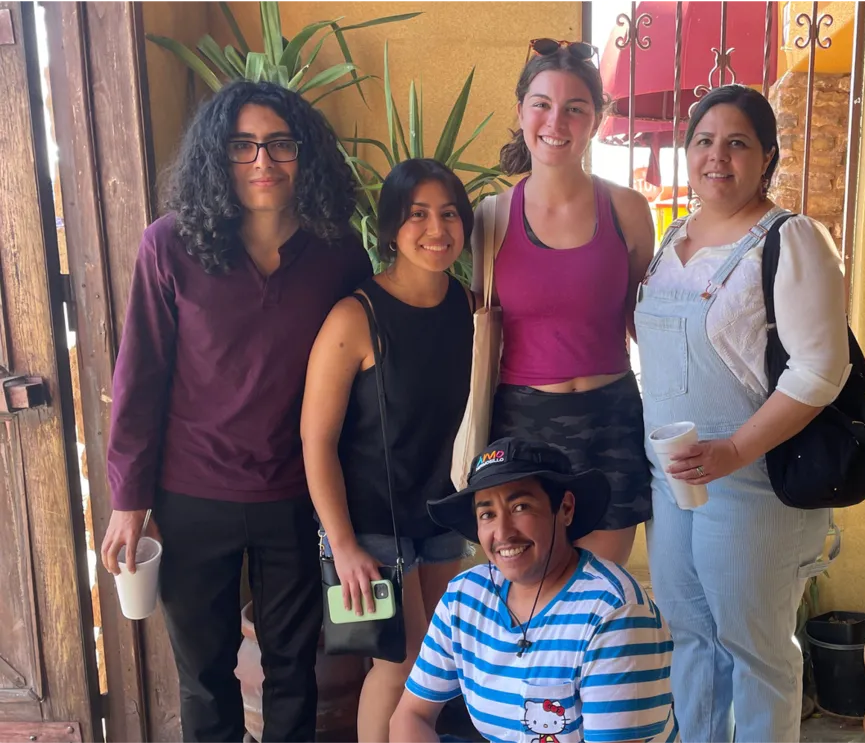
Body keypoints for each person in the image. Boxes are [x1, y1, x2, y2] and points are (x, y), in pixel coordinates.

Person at [99, 80, 373, 743]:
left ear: (304, 154)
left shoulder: (338, 253)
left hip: (292, 493)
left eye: (280, 144)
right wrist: (128, 499)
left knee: (293, 667)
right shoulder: (169, 246)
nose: (262, 161)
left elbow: (365, 373)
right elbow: (140, 379)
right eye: (242, 145)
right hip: (193, 493)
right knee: (205, 675)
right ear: (217, 157)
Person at [633, 84, 848, 742]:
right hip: (674, 481)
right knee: (690, 638)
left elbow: (821, 368)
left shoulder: (791, 239)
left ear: (767, 157)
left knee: (755, 652)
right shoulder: (673, 238)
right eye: (703, 141)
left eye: (736, 143)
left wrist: (734, 450)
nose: (716, 156)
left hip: (752, 485)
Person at [300, 158, 476, 743]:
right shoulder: (357, 315)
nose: (436, 228)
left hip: (436, 513)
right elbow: (316, 440)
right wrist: (343, 544)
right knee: (398, 662)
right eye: (418, 214)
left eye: (449, 213)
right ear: (391, 229)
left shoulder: (462, 305)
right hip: (369, 525)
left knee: (436, 664)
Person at [473, 40, 657, 565]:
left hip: (611, 421)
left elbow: (648, 325)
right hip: (523, 427)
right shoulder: (490, 218)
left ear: (596, 119)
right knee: (527, 593)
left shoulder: (626, 208)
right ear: (521, 111)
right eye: (542, 104)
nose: (557, 120)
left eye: (575, 107)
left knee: (598, 595)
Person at [390, 438, 678, 743]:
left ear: (565, 509)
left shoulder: (614, 612)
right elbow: (411, 715)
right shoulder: (465, 597)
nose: (503, 533)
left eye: (520, 507)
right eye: (487, 514)